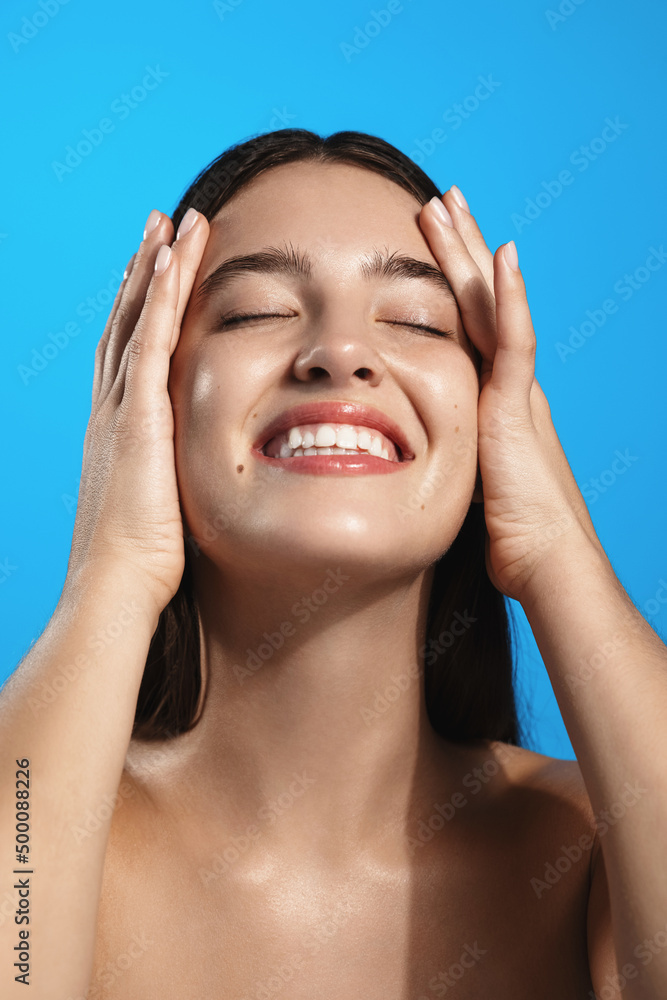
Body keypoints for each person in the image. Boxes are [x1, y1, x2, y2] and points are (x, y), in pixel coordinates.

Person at [1, 128, 666, 999]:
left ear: (488, 417)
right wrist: (113, 570)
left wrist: (554, 544)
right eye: (255, 311)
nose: (340, 352)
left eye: (417, 321)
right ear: (150, 399)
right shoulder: (47, 839)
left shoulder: (590, 848)